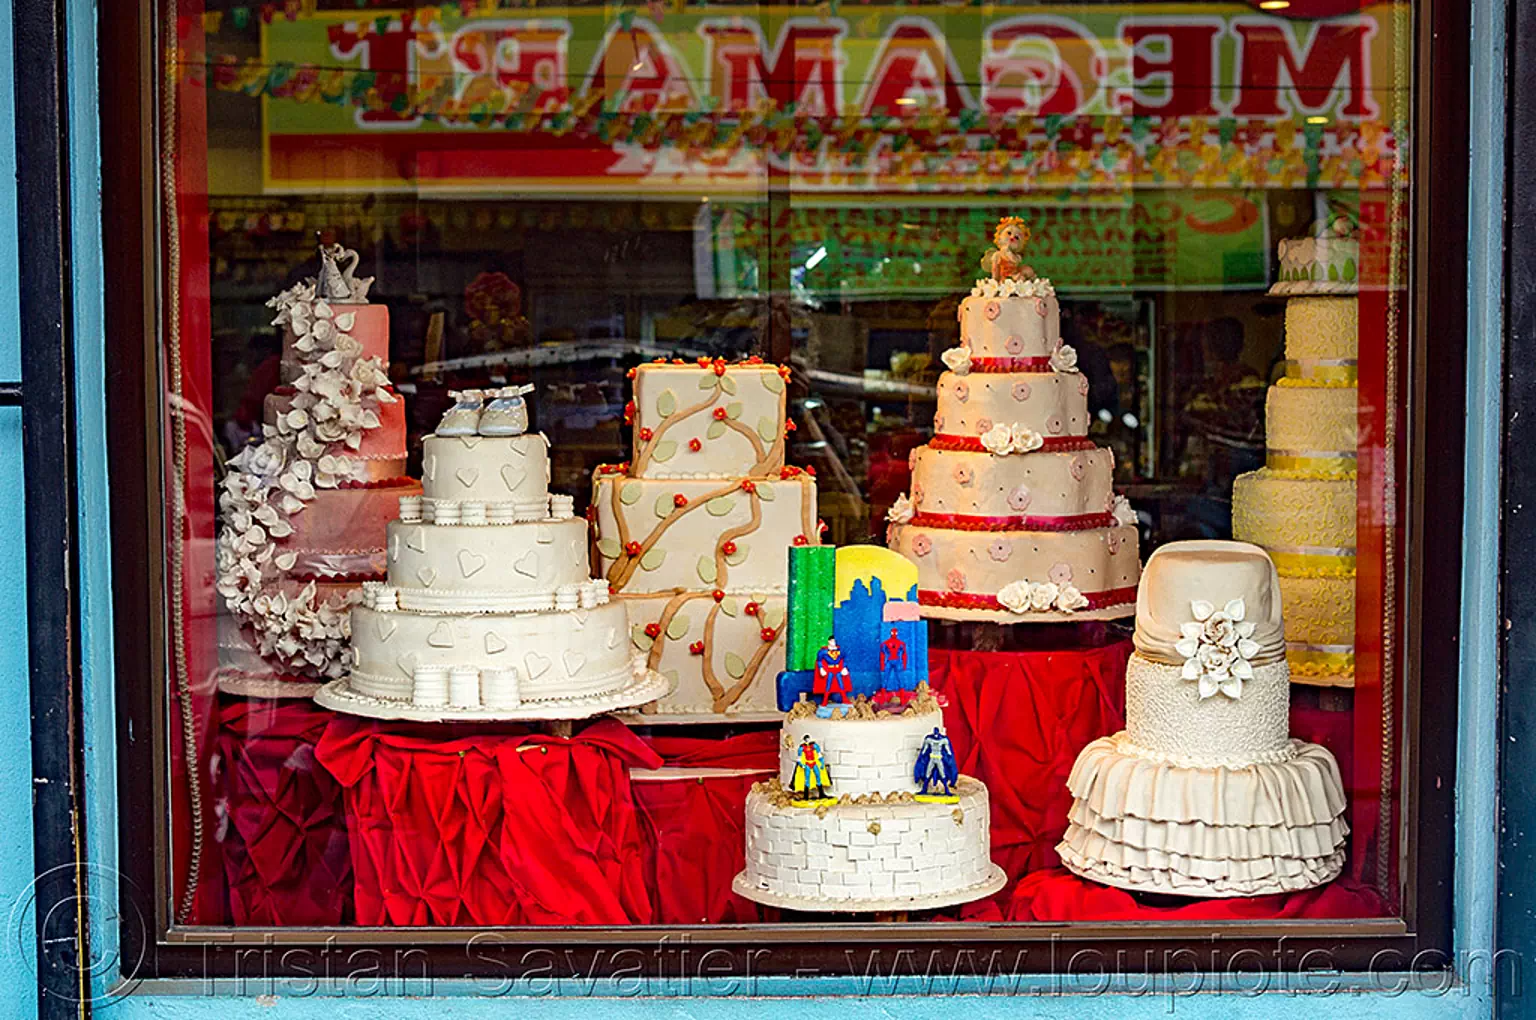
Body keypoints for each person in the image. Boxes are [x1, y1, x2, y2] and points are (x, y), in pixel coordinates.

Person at [789, 736, 831, 800]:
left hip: (814, 763)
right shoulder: (802, 748)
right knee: (807, 779)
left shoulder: (814, 746)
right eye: (806, 739)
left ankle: (821, 794)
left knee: (818, 776)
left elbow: (819, 755)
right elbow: (799, 758)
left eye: (808, 739)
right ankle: (806, 796)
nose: (807, 740)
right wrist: (802, 765)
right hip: (807, 764)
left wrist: (822, 763)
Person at [813, 637, 852, 705]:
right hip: (829, 670)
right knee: (828, 684)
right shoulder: (823, 652)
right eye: (832, 641)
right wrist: (821, 668)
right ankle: (825, 700)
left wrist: (844, 667)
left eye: (834, 641)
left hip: (838, 669)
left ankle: (844, 699)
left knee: (841, 683)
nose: (833, 642)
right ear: (829, 641)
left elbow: (844, 659)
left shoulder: (840, 651)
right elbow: (819, 661)